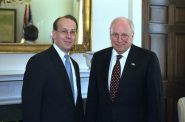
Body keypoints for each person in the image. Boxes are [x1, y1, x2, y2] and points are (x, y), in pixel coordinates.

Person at [85, 17, 163, 122]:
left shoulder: (148, 59)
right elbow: (92, 99)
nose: (119, 40)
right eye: (115, 34)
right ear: (110, 34)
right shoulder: (98, 58)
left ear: (132, 35)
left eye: (124, 35)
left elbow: (155, 103)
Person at [22, 15, 84, 122]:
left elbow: (76, 106)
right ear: (54, 34)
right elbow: (30, 108)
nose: (69, 36)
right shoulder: (38, 63)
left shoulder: (75, 65)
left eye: (73, 32)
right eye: (64, 31)